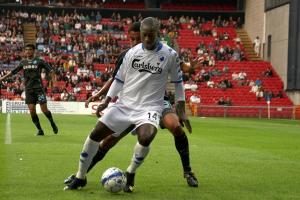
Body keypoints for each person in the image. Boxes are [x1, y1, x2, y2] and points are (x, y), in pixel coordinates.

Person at [64, 17, 196, 191]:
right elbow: (117, 80)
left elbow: (179, 80)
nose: (147, 39)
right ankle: (80, 176)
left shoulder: (169, 54)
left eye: (150, 35)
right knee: (99, 136)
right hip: (125, 105)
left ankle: (133, 171)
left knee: (151, 135)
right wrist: (106, 100)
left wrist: (181, 108)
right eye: (144, 36)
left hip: (152, 106)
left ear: (157, 33)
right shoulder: (130, 54)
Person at [0, 44, 58, 136]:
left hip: (39, 89)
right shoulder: (23, 63)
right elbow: (13, 72)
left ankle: (52, 122)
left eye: (30, 50)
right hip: (29, 90)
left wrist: (54, 80)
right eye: (26, 50)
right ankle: (40, 130)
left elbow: (51, 70)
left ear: (33, 51)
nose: (28, 51)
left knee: (44, 110)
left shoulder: (39, 61)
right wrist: (2, 78)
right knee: (32, 110)